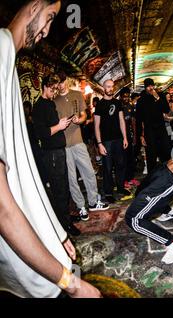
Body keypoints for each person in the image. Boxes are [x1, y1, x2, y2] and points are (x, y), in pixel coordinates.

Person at [0, 0, 100, 298]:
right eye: (49, 17)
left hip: (30, 259)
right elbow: (3, 206)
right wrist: (71, 283)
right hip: (28, 269)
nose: (47, 29)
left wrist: (53, 233)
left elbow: (19, 178)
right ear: (34, 6)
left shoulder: (8, 58)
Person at [54, 72, 109, 221]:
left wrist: (80, 119)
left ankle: (92, 202)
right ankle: (81, 206)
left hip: (78, 141)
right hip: (64, 145)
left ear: (66, 80)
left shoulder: (77, 94)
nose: (59, 85)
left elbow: (85, 115)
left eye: (61, 82)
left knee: (89, 172)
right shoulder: (54, 100)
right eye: (57, 83)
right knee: (72, 179)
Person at [32, 74, 80, 236]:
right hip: (51, 153)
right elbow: (41, 133)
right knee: (59, 189)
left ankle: (65, 217)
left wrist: (62, 123)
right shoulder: (39, 107)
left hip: (59, 151)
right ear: (45, 87)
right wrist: (59, 126)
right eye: (52, 89)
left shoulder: (50, 104)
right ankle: (63, 225)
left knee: (64, 186)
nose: (54, 92)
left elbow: (53, 126)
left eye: (55, 89)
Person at [94, 79, 130, 203]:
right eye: (108, 87)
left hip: (118, 139)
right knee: (107, 168)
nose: (110, 89)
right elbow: (96, 125)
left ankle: (120, 188)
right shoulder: (100, 104)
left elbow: (121, 121)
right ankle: (108, 192)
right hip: (106, 142)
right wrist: (99, 144)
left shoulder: (117, 102)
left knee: (121, 165)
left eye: (112, 86)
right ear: (103, 88)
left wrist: (125, 137)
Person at [136, 78, 171, 173]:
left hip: (161, 129)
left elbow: (166, 110)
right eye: (148, 86)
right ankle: (152, 177)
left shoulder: (160, 96)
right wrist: (141, 135)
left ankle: (167, 174)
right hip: (149, 131)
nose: (151, 88)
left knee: (166, 152)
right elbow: (139, 120)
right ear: (145, 87)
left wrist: (158, 98)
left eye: (152, 86)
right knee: (151, 155)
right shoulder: (141, 100)